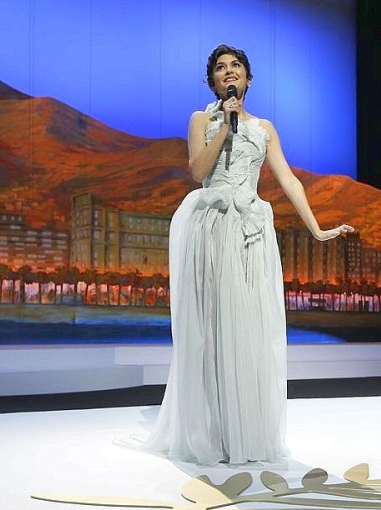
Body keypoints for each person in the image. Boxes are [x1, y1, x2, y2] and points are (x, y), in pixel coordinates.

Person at [139, 44, 353, 466]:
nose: (228, 72)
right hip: (213, 226)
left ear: (248, 79)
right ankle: (211, 431)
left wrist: (319, 230)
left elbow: (290, 181)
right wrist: (225, 124)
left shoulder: (266, 128)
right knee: (212, 324)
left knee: (248, 325)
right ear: (214, 82)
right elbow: (198, 171)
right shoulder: (201, 119)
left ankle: (244, 431)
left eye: (235, 66)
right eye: (220, 69)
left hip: (251, 231)